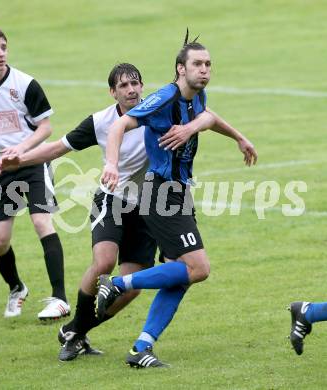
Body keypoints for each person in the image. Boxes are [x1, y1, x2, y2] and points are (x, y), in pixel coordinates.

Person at [97, 30, 258, 368]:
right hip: (161, 193)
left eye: (209, 64)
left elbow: (208, 115)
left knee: (178, 275)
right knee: (199, 268)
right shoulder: (164, 99)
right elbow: (119, 126)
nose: (205, 70)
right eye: (198, 64)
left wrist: (238, 137)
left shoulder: (195, 97)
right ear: (180, 69)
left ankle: (141, 347)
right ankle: (119, 283)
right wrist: (111, 163)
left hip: (179, 192)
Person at [0, 63, 160, 361]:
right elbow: (57, 148)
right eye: (123, 86)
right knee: (103, 263)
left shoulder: (156, 114)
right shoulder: (100, 121)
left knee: (132, 287)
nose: (131, 89)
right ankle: (76, 334)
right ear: (113, 92)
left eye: (135, 83)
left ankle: (75, 331)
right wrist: (19, 159)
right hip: (111, 201)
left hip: (148, 206)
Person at [0, 27, 69, 320]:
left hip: (32, 163)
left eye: (4, 47)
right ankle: (17, 288)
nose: (1, 53)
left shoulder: (25, 84)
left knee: (42, 222)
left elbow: (46, 127)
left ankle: (60, 299)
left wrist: (21, 150)